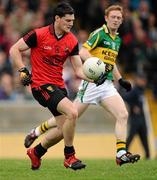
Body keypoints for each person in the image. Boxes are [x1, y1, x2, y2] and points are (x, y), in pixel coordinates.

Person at [24, 4, 140, 169]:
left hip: (106, 84)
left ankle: (121, 153)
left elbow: (111, 62)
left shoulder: (117, 39)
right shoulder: (99, 34)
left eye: (119, 18)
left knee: (122, 114)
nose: (115, 20)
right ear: (106, 18)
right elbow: (84, 52)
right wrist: (96, 66)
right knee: (69, 116)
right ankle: (37, 132)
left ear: (122, 21)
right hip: (91, 84)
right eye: (113, 17)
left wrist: (120, 79)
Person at [10, 2, 106, 171]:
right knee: (73, 112)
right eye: (68, 20)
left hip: (58, 87)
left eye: (72, 20)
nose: (71, 23)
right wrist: (23, 70)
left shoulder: (72, 40)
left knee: (63, 130)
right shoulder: (39, 34)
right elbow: (14, 50)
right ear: (57, 18)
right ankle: (69, 156)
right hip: (40, 85)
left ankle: (36, 152)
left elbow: (78, 70)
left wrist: (94, 79)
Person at [122, 73, 150, 159]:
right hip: (135, 119)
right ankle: (123, 154)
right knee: (130, 137)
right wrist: (132, 106)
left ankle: (148, 156)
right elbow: (125, 97)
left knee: (144, 138)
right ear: (138, 80)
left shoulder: (142, 90)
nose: (144, 82)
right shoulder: (134, 90)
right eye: (142, 80)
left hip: (142, 118)